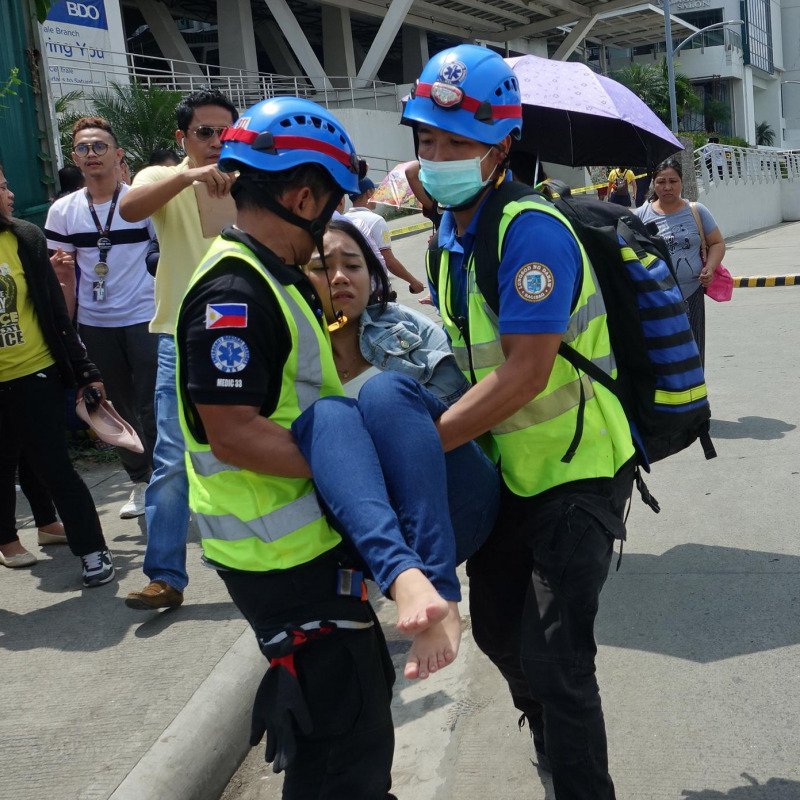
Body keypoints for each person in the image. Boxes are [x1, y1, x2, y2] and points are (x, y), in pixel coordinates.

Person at [402, 44, 637, 798]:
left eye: (458, 142)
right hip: (505, 475)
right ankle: (554, 749)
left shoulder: (528, 230)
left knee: (560, 663)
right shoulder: (450, 236)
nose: (437, 155)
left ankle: (578, 783)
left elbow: (527, 369)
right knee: (502, 634)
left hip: (574, 478)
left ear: (501, 146)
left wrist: (422, 445)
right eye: (427, 139)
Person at [175, 96, 395, 796]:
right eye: (329, 206)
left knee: (343, 722)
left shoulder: (274, 278)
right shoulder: (233, 293)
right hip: (278, 551)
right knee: (343, 747)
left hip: (299, 543)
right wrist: (353, 470)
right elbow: (234, 431)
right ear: (303, 195)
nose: (329, 223)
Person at [295, 218, 499, 679]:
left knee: (386, 392)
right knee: (329, 416)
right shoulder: (290, 350)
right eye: (323, 267)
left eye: (354, 264)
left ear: (374, 277)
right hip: (363, 534)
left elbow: (459, 409)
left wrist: (389, 450)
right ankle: (407, 578)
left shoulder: (407, 327)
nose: (342, 276)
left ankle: (442, 591)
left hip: (455, 498)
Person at [119, 87, 238, 610]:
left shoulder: (253, 176)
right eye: (204, 133)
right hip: (179, 336)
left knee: (244, 448)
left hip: (243, 332)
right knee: (171, 457)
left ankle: (254, 562)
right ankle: (166, 576)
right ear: (183, 138)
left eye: (224, 132)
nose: (215, 142)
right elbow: (128, 208)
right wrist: (187, 176)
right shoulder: (158, 179)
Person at [0, 163, 114, 586]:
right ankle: (10, 539)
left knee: (54, 465)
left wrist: (83, 368)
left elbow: (53, 313)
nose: (8, 194)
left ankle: (94, 551)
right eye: (2, 187)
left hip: (35, 374)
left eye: (7, 183)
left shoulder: (23, 237)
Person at [45, 117, 158, 520]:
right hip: (94, 323)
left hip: (145, 316)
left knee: (153, 404)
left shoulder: (141, 203)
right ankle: (140, 482)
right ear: (74, 157)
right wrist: (68, 331)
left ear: (118, 154)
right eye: (82, 148)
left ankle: (167, 481)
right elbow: (63, 280)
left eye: (99, 147)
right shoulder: (63, 211)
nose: (91, 154)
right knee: (112, 406)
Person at [636, 157, 726, 365]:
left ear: (682, 181)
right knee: (662, 356)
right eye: (661, 182)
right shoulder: (641, 216)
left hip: (692, 294)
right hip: (656, 298)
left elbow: (717, 243)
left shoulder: (696, 211)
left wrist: (710, 269)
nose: (667, 187)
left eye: (673, 181)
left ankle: (696, 396)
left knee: (694, 353)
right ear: (653, 183)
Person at [346, 177, 425, 294]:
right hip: (375, 289)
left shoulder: (344, 220)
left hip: (352, 288)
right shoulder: (376, 221)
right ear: (369, 193)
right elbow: (388, 260)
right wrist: (413, 281)